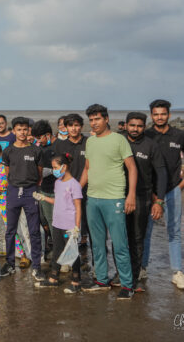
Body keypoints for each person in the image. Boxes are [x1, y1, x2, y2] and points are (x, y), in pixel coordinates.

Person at [79, 104, 137, 300]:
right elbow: (87, 168)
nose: (93, 123)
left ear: (106, 119)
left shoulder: (119, 140)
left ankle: (127, 285)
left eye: (97, 119)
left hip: (115, 199)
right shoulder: (90, 142)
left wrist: (130, 196)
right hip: (93, 199)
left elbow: (132, 168)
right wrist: (77, 189)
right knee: (97, 244)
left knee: (120, 244)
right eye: (91, 120)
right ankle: (101, 280)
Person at [118, 112, 166, 292]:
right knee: (120, 237)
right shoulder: (119, 141)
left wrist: (159, 201)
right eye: (132, 125)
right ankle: (121, 273)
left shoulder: (151, 145)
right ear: (126, 125)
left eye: (139, 126)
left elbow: (161, 173)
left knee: (138, 238)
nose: (135, 129)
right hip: (118, 196)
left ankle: (135, 275)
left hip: (142, 198)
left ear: (144, 127)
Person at [143, 99, 184, 289]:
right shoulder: (146, 135)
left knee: (174, 231)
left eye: (163, 113)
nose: (160, 117)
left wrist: (181, 184)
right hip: (150, 191)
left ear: (168, 114)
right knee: (146, 231)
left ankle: (177, 271)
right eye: (156, 114)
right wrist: (151, 193)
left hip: (173, 189)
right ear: (151, 115)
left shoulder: (179, 135)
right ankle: (142, 267)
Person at [0, 117, 45, 281]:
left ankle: (37, 267)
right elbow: (7, 173)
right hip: (12, 192)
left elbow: (39, 174)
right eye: (19, 129)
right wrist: (15, 185)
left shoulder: (36, 151)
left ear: (29, 131)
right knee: (10, 230)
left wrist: (31, 186)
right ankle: (10, 264)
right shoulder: (8, 151)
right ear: (14, 131)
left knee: (34, 231)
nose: (22, 132)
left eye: (25, 129)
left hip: (30, 191)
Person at [33, 153, 82, 293]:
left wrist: (76, 227)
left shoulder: (74, 184)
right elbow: (58, 201)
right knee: (57, 251)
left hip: (69, 225)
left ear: (64, 166)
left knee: (72, 253)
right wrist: (43, 198)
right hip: (57, 223)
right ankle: (54, 278)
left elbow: (78, 206)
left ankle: (76, 281)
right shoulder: (58, 182)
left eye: (55, 167)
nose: (53, 170)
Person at [53, 114, 89, 247]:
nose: (74, 129)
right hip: (66, 191)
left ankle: (84, 246)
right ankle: (69, 247)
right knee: (68, 219)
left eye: (77, 125)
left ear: (81, 126)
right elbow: (57, 168)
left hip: (86, 187)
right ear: (66, 127)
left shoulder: (89, 142)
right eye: (70, 125)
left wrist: (78, 187)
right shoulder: (59, 145)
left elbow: (90, 167)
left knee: (85, 219)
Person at [32, 120, 56, 257]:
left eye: (39, 138)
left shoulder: (57, 146)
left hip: (54, 190)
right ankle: (48, 243)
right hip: (41, 189)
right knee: (43, 219)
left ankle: (58, 247)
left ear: (47, 134)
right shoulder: (40, 149)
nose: (38, 141)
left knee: (53, 221)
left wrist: (50, 171)